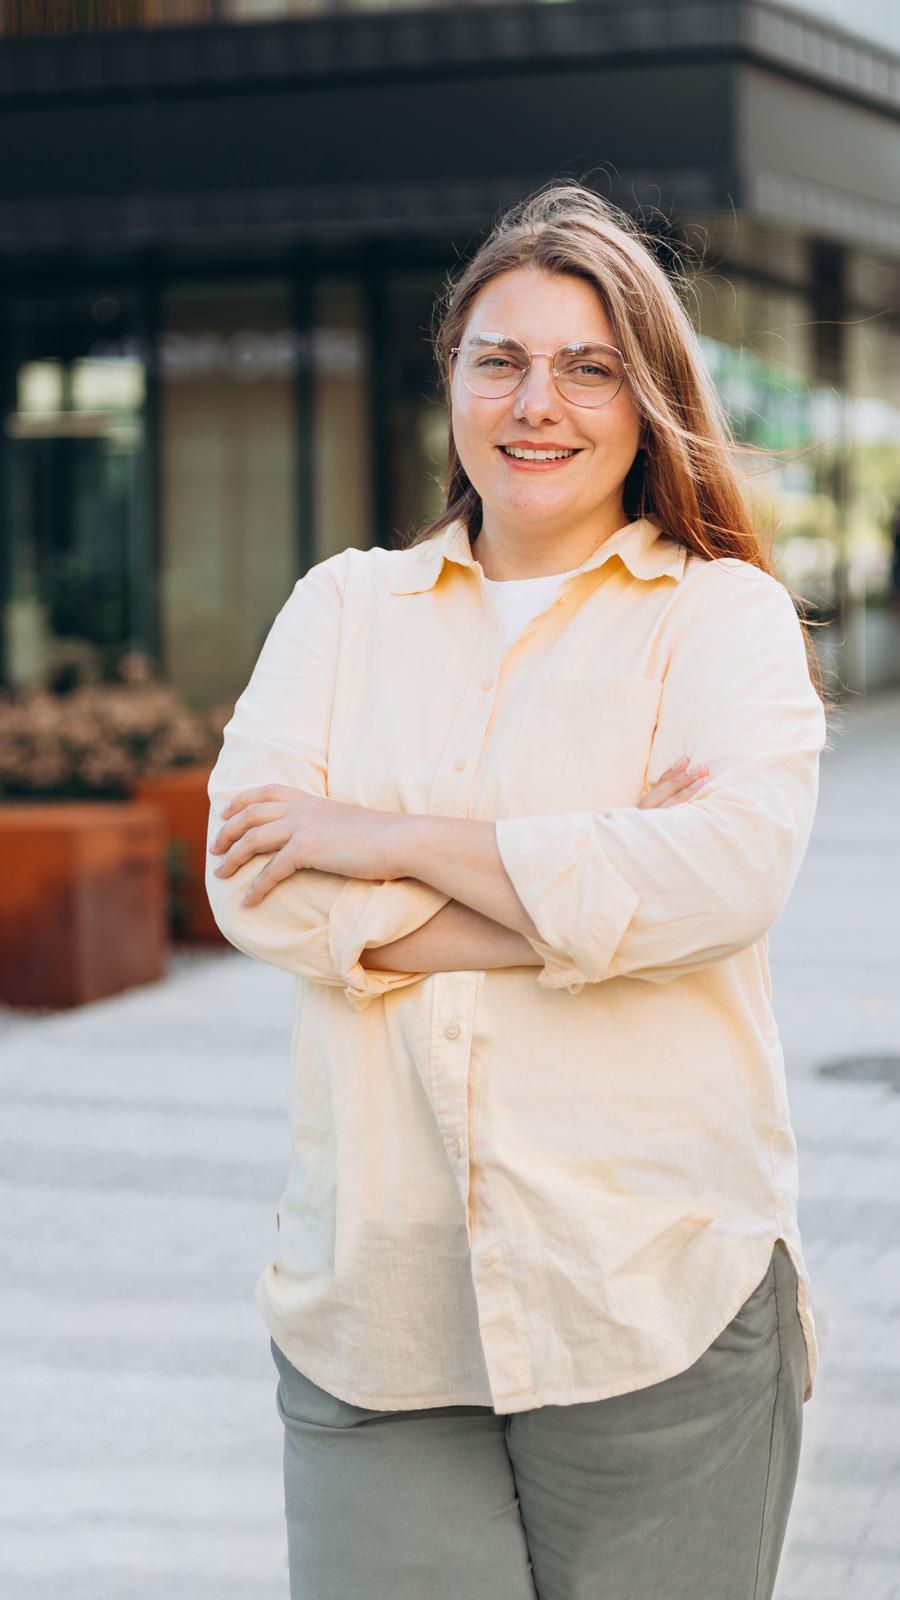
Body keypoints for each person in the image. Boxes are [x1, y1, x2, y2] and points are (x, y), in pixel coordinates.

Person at [205, 182, 830, 1600]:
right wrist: (588, 900)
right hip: (381, 1304)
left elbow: (729, 873)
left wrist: (376, 832)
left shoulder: (716, 618)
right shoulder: (343, 609)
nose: (538, 402)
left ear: (650, 396)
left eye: (589, 365)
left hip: (652, 1291)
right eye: (501, 358)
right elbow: (251, 887)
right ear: (452, 382)